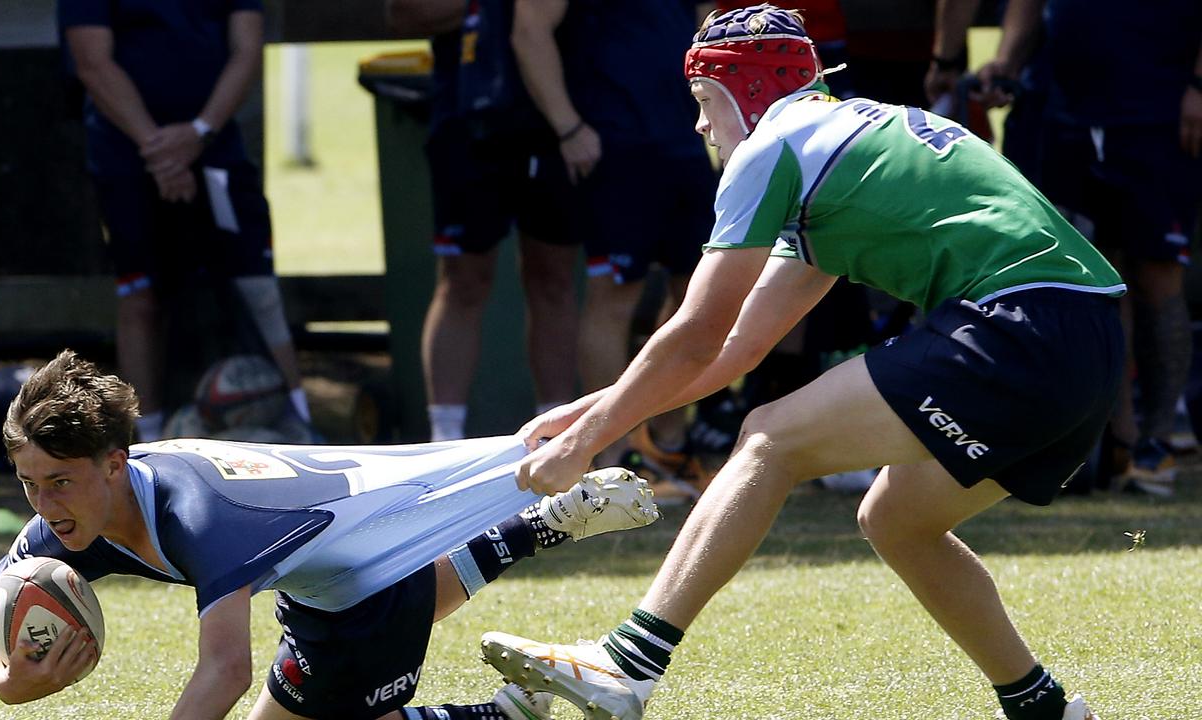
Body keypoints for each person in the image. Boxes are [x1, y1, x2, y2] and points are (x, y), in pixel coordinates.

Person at [481, 5, 1124, 720]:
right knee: (895, 520)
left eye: (702, 102)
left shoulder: (773, 146)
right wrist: (594, 409)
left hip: (1023, 324)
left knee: (769, 436)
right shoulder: (836, 143)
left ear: (743, 90)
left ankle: (629, 664)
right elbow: (736, 349)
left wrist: (585, 442)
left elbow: (697, 329)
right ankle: (1044, 708)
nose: (699, 126)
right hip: (1087, 342)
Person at [0, 350, 660, 720]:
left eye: (59, 482)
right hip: (337, 574)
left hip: (366, 563)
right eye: (29, 484)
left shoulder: (198, 517)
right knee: (351, 625)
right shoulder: (73, 514)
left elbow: (224, 671)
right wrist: (4, 681)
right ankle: (537, 528)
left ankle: (510, 706)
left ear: (114, 465)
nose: (44, 504)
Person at [976, 0, 1202, 496]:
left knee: (1156, 276)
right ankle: (1110, 442)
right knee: (1082, 279)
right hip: (1059, 111)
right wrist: (1007, 62)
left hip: (1157, 109)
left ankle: (1156, 444)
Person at [59, 0, 310, 441]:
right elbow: (91, 60)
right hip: (128, 157)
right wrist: (157, 150)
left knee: (257, 288)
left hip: (216, 150)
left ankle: (300, 427)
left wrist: (198, 132)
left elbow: (247, 48)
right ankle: (149, 442)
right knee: (143, 296)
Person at [510, 0, 719, 499]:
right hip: (614, 140)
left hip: (683, 140)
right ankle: (612, 453)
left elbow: (709, 20)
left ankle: (668, 443)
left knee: (701, 293)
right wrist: (568, 126)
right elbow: (529, 29)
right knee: (614, 296)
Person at [385, 0, 582, 443]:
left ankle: (555, 436)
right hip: (466, 123)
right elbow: (402, 13)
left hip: (555, 121)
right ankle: (444, 440)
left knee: (553, 277)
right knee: (462, 280)